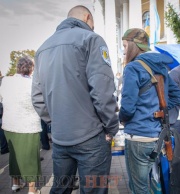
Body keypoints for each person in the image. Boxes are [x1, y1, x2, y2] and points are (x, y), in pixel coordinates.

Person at [32, 5, 119, 194]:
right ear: (87, 17)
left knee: (61, 188)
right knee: (93, 189)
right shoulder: (91, 39)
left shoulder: (42, 49)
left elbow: (37, 98)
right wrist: (111, 127)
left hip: (61, 137)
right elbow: (102, 91)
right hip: (91, 136)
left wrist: (55, 122)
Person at [119, 28, 180, 194]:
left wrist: (122, 118)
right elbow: (177, 97)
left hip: (138, 136)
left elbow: (127, 108)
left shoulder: (133, 68)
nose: (124, 50)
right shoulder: (161, 67)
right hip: (158, 136)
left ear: (134, 46)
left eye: (125, 46)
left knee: (138, 188)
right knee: (153, 183)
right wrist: (158, 111)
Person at [0, 56, 41, 194]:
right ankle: (32, 189)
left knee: (14, 156)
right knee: (31, 158)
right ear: (31, 69)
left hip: (9, 125)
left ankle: (15, 184)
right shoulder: (33, 83)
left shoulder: (6, 81)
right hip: (28, 125)